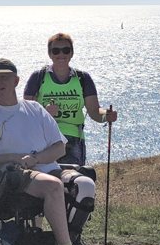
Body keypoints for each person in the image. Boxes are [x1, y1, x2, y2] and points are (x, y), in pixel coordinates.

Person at [0, 58, 107, 245]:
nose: (0, 82)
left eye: (5, 77)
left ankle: (65, 244)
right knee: (53, 186)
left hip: (45, 167)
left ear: (16, 81)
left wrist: (36, 159)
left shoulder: (35, 110)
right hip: (12, 177)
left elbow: (59, 147)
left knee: (85, 185)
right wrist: (12, 158)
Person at [23, 32, 118, 166]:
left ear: (72, 53)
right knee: (47, 182)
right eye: (56, 51)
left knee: (74, 182)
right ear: (50, 54)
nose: (61, 55)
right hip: (45, 139)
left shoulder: (83, 78)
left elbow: (95, 112)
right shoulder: (38, 77)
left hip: (74, 140)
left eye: (66, 50)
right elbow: (26, 113)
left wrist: (106, 115)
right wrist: (44, 112)